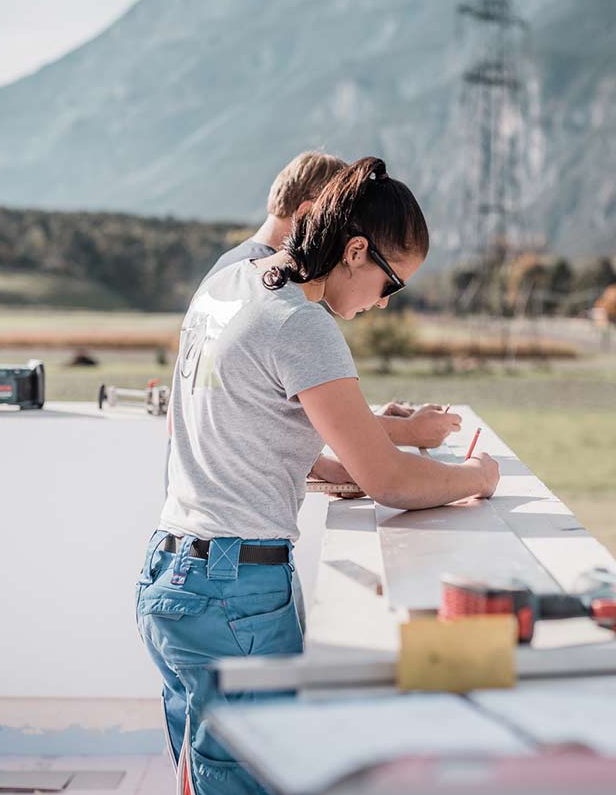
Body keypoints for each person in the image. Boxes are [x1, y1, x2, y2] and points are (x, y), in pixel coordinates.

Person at [136, 156, 500, 793]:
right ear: (355, 251)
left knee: (199, 775)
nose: (383, 305)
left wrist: (342, 466)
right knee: (252, 776)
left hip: (168, 578)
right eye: (392, 286)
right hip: (234, 592)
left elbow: (246, 430)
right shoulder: (302, 323)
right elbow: (391, 480)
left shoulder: (231, 282)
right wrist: (475, 476)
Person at [198, 149, 456, 449]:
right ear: (309, 214)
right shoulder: (269, 289)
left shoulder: (239, 273)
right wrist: (407, 433)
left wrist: (361, 419)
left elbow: (262, 408)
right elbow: (230, 416)